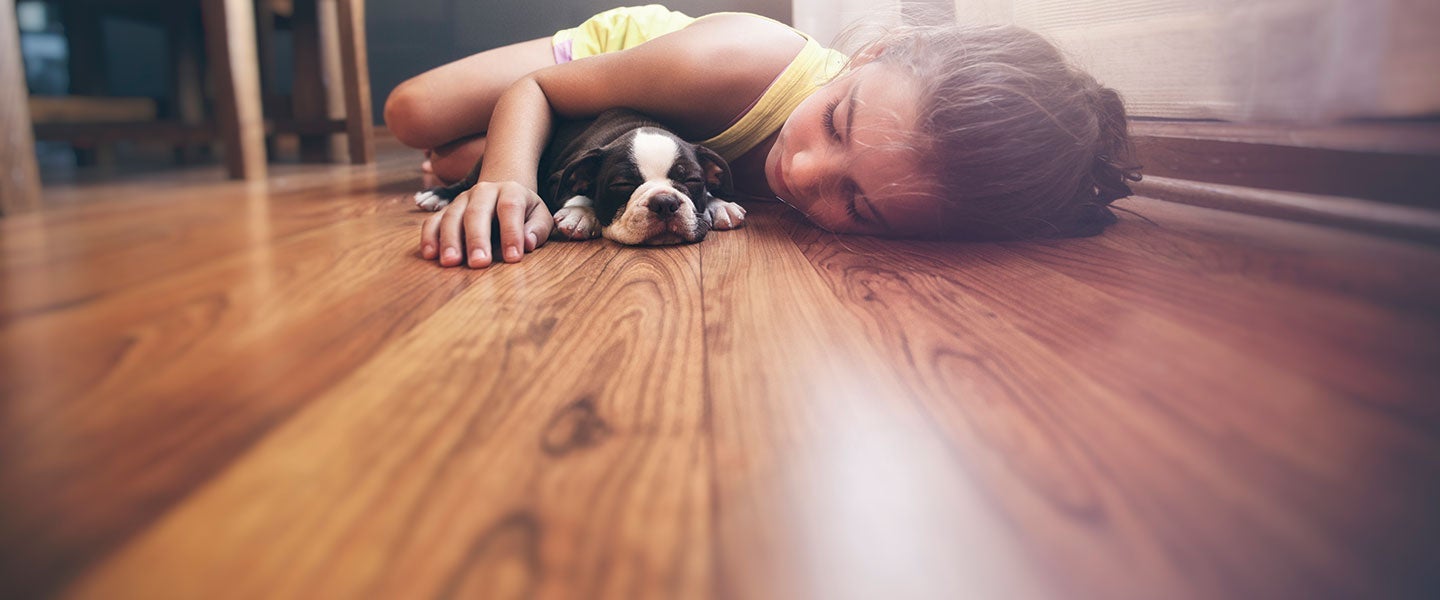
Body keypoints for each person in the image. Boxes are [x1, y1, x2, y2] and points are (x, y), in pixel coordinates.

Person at [384, 5, 1141, 268]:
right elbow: (536, 89)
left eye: (860, 205)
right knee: (412, 114)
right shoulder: (729, 60)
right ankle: (486, 151)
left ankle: (476, 150)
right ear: (869, 55)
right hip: (617, 64)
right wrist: (506, 183)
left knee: (455, 151)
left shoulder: (924, 194)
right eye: (838, 121)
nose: (804, 170)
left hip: (632, 144)